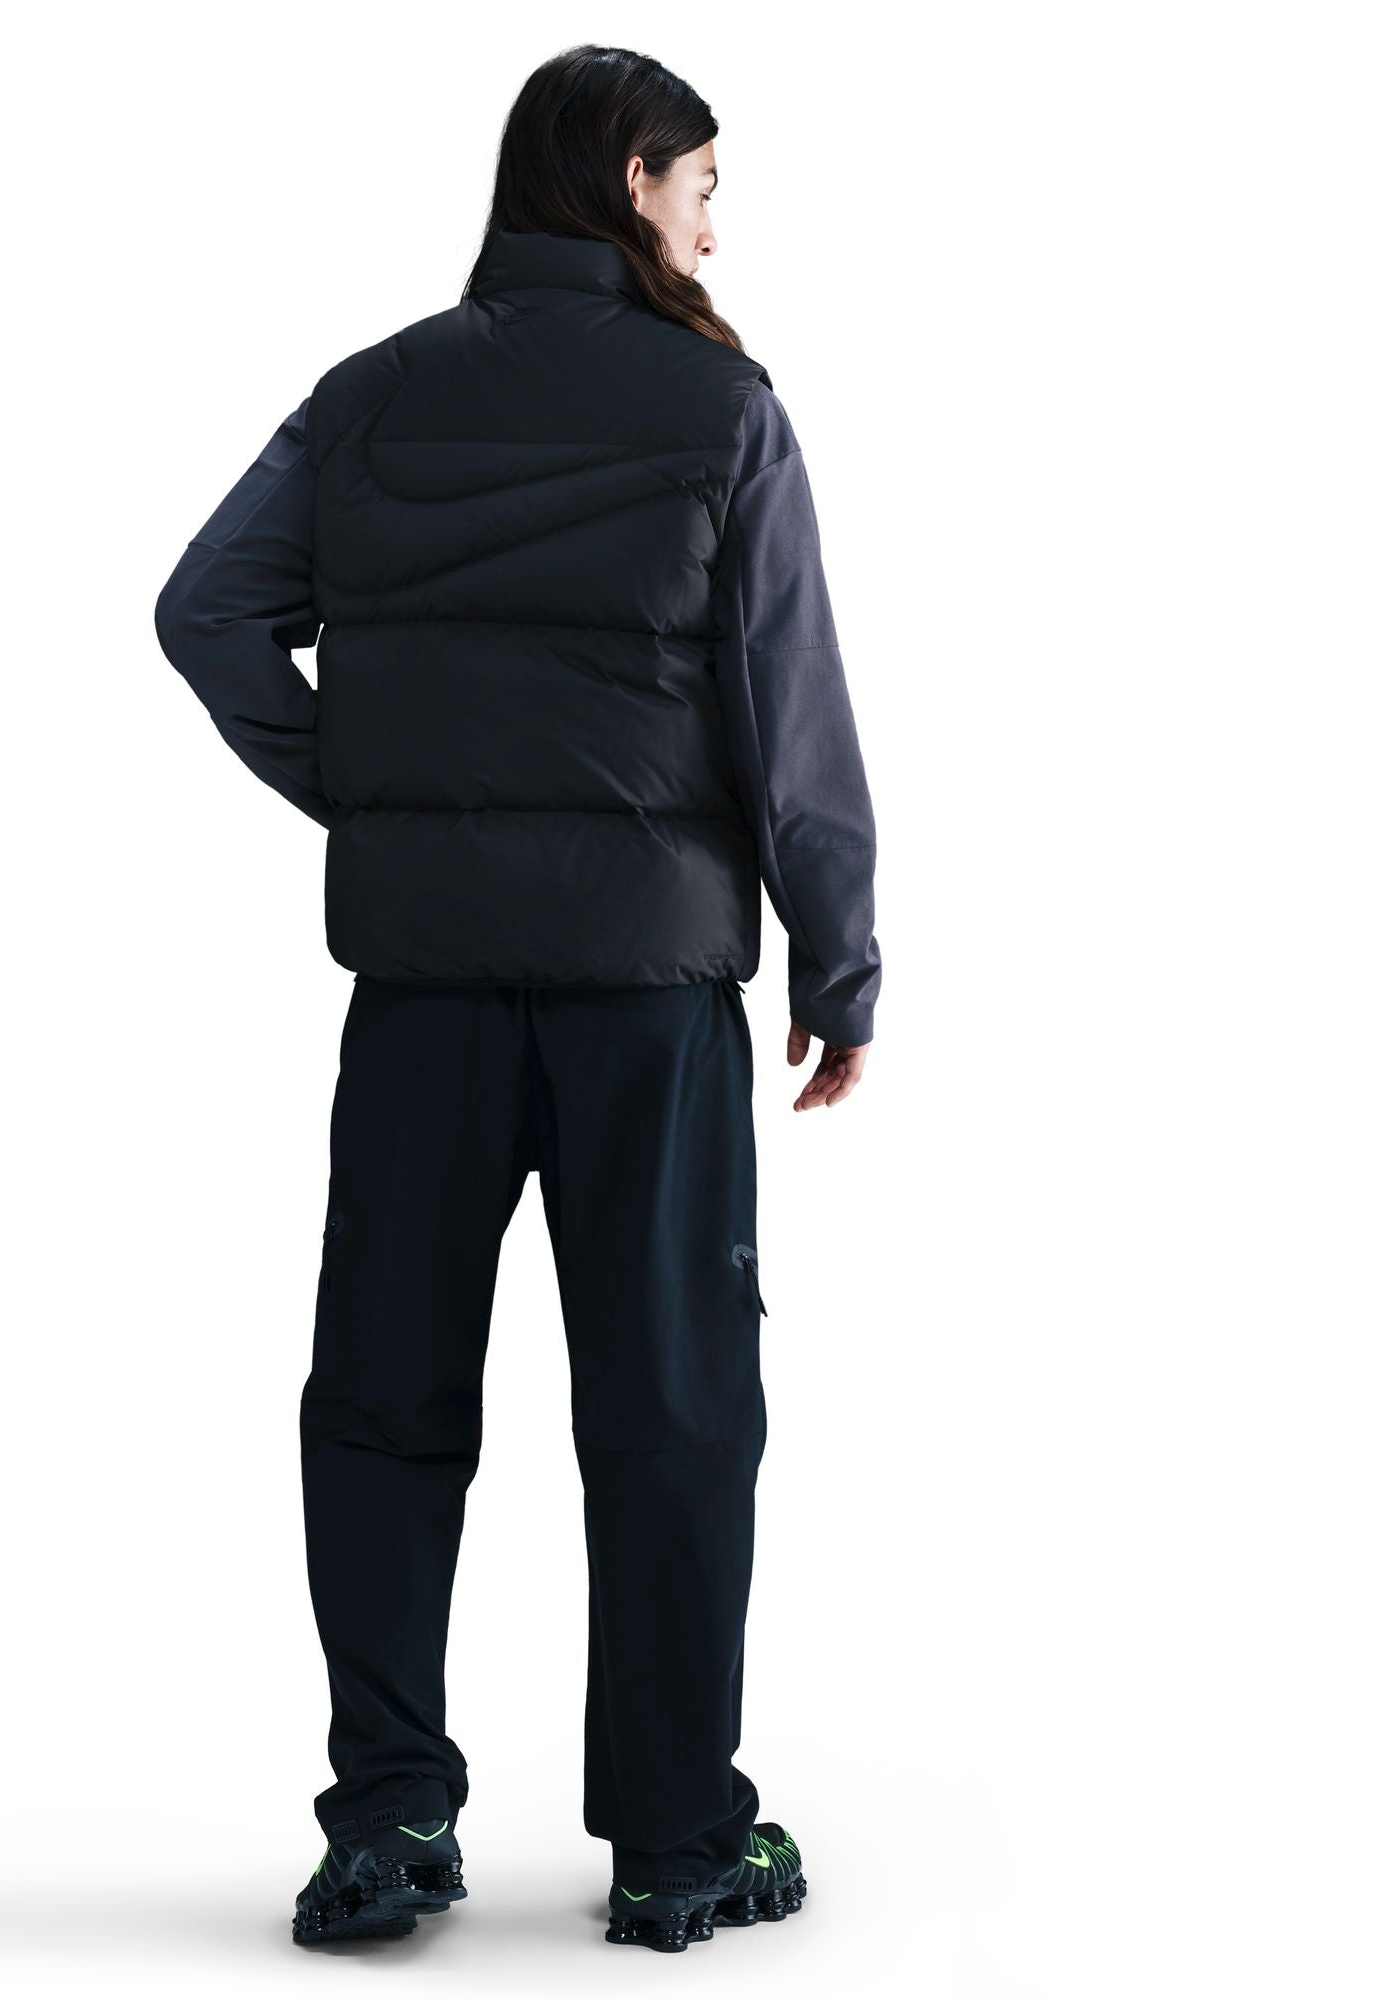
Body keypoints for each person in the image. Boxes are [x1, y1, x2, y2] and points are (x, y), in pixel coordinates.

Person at [153, 44, 879, 1955]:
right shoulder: (722, 407)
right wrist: (841, 954)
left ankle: (389, 1819)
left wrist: (382, 793)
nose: (716, 223)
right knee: (674, 1411)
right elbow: (789, 706)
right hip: (650, 996)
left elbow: (207, 610)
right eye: (703, 184)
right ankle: (677, 1842)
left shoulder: (376, 394)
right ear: (632, 179)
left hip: (427, 994)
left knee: (384, 1400)